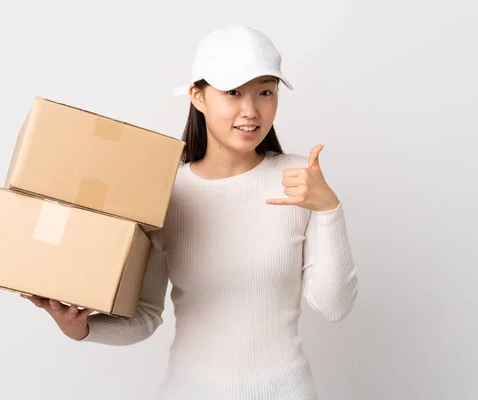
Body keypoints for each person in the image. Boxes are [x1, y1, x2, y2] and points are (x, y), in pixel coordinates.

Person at [22, 24, 359, 400]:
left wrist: (329, 209)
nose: (251, 111)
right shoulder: (166, 193)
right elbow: (145, 316)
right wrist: (79, 329)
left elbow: (334, 305)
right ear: (197, 96)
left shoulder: (300, 180)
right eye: (233, 92)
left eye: (265, 91)